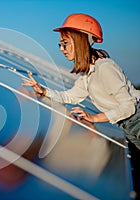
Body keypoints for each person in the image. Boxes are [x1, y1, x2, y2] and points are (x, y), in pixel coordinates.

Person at [22, 13, 140, 198]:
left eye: (65, 43)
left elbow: (129, 107)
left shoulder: (105, 68)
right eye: (60, 44)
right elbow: (70, 96)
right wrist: (43, 91)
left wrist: (95, 118)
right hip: (131, 128)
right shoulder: (88, 74)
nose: (62, 49)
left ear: (81, 41)